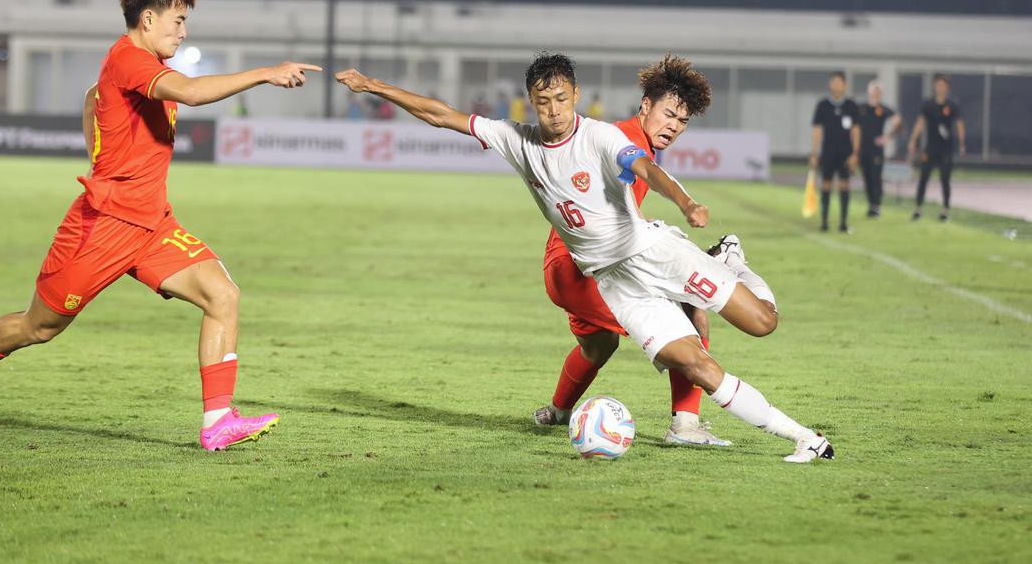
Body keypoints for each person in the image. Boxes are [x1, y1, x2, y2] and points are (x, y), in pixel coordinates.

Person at [335, 53, 834, 463]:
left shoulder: (601, 137)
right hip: (610, 280)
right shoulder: (518, 140)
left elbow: (643, 168)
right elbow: (441, 114)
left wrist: (684, 202)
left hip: (652, 253)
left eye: (560, 99)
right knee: (696, 362)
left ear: (575, 97)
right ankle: (800, 437)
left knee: (762, 323)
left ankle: (729, 260)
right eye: (542, 102)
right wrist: (374, 85)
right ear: (530, 103)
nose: (552, 110)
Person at [0, 0, 321, 452]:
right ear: (148, 20)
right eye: (178, 21)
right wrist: (267, 73)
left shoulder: (138, 69)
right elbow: (194, 93)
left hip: (153, 226)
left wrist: (103, 142)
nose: (183, 32)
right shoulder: (129, 60)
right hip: (102, 228)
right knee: (39, 327)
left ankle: (218, 421)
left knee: (223, 295)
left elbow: (92, 98)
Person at [533, 55, 728, 446]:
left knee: (598, 345)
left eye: (683, 121)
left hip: (565, 267)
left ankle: (557, 411)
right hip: (582, 269)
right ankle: (685, 425)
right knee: (688, 307)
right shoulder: (624, 140)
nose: (674, 126)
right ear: (645, 106)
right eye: (669, 114)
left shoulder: (631, 138)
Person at [908, 73, 966, 221]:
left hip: (946, 149)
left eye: (943, 85)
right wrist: (913, 139)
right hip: (930, 149)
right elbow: (920, 123)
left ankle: (945, 211)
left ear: (947, 88)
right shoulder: (928, 105)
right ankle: (918, 209)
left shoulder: (952, 105)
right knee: (923, 179)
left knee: (945, 180)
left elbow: (959, 124)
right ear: (935, 86)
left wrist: (962, 143)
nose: (940, 88)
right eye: (938, 85)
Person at [809, 72, 861, 233]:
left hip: (845, 152)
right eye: (834, 82)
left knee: (844, 185)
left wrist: (855, 153)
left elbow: (856, 130)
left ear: (845, 85)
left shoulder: (851, 105)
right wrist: (814, 152)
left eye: (840, 82)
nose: (836, 85)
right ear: (830, 85)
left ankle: (843, 223)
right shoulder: (823, 105)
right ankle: (824, 222)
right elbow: (817, 130)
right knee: (826, 184)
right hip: (828, 152)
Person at [856, 80, 902, 218]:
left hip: (876, 150)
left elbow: (898, 122)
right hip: (863, 149)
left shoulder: (882, 109)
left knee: (876, 177)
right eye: (873, 90)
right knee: (867, 177)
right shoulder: (861, 108)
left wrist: (887, 137)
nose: (875, 93)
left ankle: (876, 206)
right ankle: (871, 204)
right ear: (869, 92)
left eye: (878, 91)